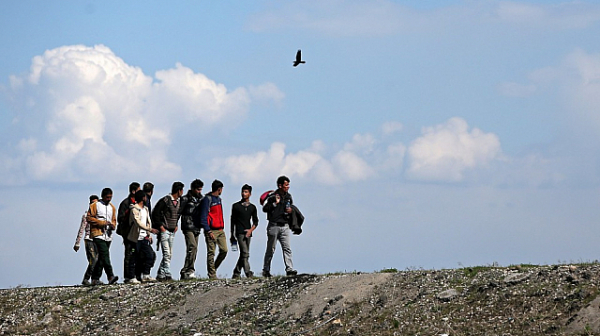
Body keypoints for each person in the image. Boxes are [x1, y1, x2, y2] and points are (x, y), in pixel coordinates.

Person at [262, 176, 298, 277]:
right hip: (273, 226)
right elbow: (265, 208)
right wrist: (274, 203)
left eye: (288, 185)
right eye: (286, 185)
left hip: (285, 225)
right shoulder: (272, 196)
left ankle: (290, 269)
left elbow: (290, 206)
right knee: (271, 249)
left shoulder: (288, 197)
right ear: (280, 185)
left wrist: (290, 211)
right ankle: (266, 270)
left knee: (287, 248)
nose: (288, 187)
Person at [152, 181, 184, 281]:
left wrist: (176, 224)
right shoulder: (166, 200)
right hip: (164, 230)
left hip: (172, 231)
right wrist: (160, 226)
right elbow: (155, 213)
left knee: (169, 253)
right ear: (178, 191)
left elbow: (177, 214)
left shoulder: (179, 202)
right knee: (166, 253)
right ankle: (167, 273)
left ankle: (161, 273)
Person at [195, 180, 227, 279]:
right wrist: (208, 230)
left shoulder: (219, 200)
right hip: (211, 230)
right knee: (211, 252)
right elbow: (203, 216)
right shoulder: (207, 200)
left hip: (220, 229)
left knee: (224, 250)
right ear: (219, 189)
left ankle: (213, 268)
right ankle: (212, 274)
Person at [87, 188, 119, 285]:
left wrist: (113, 225)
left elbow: (114, 219)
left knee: (101, 257)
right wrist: (101, 223)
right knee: (105, 254)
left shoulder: (112, 207)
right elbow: (89, 218)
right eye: (107, 197)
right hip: (98, 234)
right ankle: (110, 275)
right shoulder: (95, 206)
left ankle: (95, 278)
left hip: (108, 235)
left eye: (110, 197)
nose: (109, 199)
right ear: (103, 196)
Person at [128, 190, 158, 282]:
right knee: (134, 258)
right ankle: (132, 277)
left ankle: (146, 274)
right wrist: (150, 230)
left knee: (150, 255)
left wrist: (149, 235)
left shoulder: (145, 209)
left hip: (144, 237)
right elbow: (138, 223)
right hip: (135, 238)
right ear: (142, 198)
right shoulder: (134, 209)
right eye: (145, 197)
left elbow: (147, 222)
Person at [230, 184, 259, 279]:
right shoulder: (236, 206)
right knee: (245, 253)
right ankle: (248, 272)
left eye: (246, 192)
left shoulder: (252, 207)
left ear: (250, 194)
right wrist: (232, 234)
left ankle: (236, 272)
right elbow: (232, 221)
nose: (243, 194)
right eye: (242, 191)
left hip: (248, 233)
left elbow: (256, 221)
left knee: (244, 254)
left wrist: (251, 230)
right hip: (239, 232)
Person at [179, 179, 204, 280]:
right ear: (193, 189)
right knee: (192, 246)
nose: (199, 191)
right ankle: (188, 269)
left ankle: (187, 270)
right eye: (198, 189)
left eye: (200, 189)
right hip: (188, 225)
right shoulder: (185, 199)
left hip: (197, 226)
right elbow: (179, 212)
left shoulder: (201, 199)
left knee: (194, 249)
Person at [117, 182, 140, 284]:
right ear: (133, 191)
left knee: (137, 253)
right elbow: (120, 218)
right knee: (129, 254)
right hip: (127, 233)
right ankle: (127, 276)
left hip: (137, 233)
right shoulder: (126, 203)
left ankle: (136, 274)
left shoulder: (138, 203)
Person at [74, 194, 99, 286]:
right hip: (89, 239)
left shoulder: (100, 216)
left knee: (98, 260)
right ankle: (86, 278)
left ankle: (94, 279)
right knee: (93, 259)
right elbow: (81, 229)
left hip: (98, 239)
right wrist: (77, 243)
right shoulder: (86, 216)